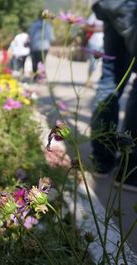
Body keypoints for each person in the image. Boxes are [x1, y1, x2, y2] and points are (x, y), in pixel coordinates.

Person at [90, 0, 137, 191]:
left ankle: (101, 160)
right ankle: (130, 170)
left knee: (110, 79)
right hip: (131, 7)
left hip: (111, 5)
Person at [28, 12, 55, 81]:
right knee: (42, 62)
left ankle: (35, 77)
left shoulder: (33, 25)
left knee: (35, 62)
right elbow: (52, 38)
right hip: (44, 47)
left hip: (34, 46)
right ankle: (41, 77)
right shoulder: (48, 26)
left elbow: (30, 35)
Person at [84, 12, 104, 87]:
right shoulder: (95, 15)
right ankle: (88, 80)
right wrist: (98, 29)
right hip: (94, 43)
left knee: (106, 64)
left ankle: (104, 83)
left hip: (107, 43)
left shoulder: (113, 13)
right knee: (93, 63)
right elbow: (86, 27)